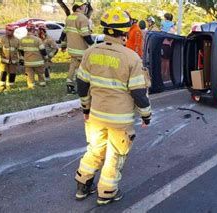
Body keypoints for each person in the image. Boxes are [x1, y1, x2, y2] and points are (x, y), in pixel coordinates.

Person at [74, 7, 152, 206]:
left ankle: (83, 185)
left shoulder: (90, 52)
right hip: (120, 120)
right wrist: (146, 115)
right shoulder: (131, 58)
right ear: (125, 32)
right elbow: (138, 93)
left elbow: (82, 84)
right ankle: (107, 192)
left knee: (95, 149)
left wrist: (85, 108)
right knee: (115, 155)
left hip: (96, 116)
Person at [60, 1, 94, 94]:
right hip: (81, 49)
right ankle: (85, 87)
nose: (86, 8)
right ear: (81, 6)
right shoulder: (83, 18)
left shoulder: (69, 17)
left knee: (73, 67)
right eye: (85, 6)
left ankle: (70, 87)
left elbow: (64, 33)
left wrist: (63, 45)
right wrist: (94, 46)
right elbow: (86, 35)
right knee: (86, 69)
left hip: (72, 49)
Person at [18, 23, 49, 89]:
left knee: (30, 75)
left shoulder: (22, 40)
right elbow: (42, 50)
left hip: (28, 62)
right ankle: (42, 84)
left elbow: (21, 50)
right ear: (33, 30)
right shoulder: (37, 39)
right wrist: (46, 57)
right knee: (40, 74)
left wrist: (24, 57)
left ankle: (31, 86)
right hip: (38, 61)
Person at [0, 24, 20, 92]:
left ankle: (10, 87)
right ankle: (1, 88)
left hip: (13, 61)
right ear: (6, 30)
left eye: (12, 30)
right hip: (3, 61)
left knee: (12, 74)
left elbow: (20, 50)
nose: (10, 32)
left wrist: (21, 59)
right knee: (2, 73)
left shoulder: (17, 40)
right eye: (9, 30)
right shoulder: (0, 39)